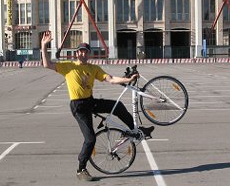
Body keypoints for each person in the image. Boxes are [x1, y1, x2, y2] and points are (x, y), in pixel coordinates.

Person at [41, 31, 154, 181]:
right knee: (90, 139)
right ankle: (81, 169)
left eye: (85, 52)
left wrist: (128, 80)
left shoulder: (94, 69)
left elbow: (111, 79)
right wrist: (44, 46)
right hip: (78, 107)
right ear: (77, 54)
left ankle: (135, 130)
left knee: (118, 106)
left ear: (88, 54)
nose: (83, 54)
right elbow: (46, 64)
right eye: (80, 51)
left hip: (90, 101)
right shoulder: (68, 67)